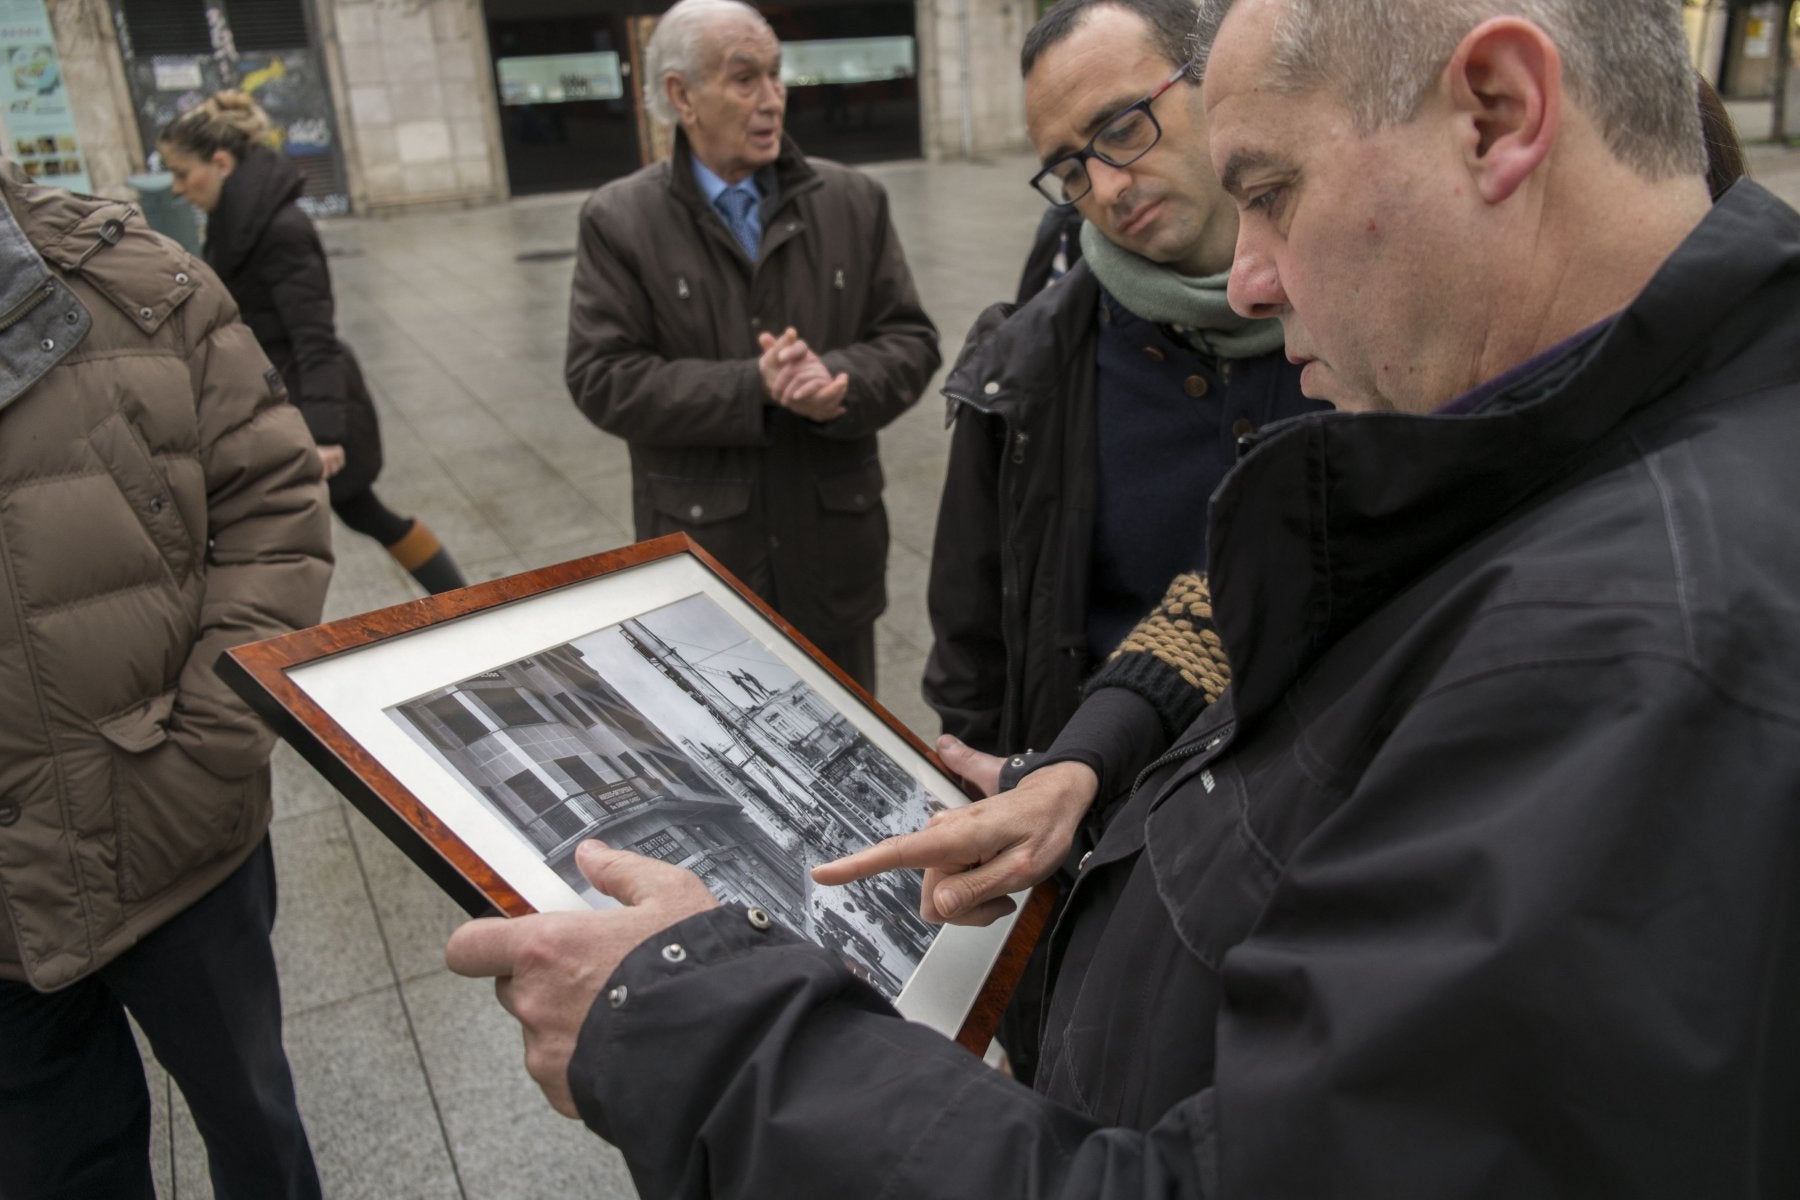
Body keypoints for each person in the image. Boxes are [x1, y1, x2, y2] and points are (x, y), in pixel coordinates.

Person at [447, 0, 1800, 1195]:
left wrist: (703, 1033)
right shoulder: (1550, 422)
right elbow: (1243, 600)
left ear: (1497, 114)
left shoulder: (1638, 655)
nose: (1257, 277)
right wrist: (1086, 767)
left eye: (1267, 187)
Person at [0, 162, 331, 1197]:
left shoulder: (137, 279)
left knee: (255, 1130)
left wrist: (203, 747)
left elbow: (275, 505)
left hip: (176, 833)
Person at [924, 0, 1322, 765]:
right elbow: (973, 656)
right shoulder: (1021, 373)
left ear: (1214, 82)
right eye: (1070, 169)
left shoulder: (1367, 301)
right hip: (1110, 826)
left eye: (1122, 127)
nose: (1105, 188)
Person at [563, 0, 940, 693]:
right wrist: (751, 386)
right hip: (706, 557)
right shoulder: (619, 219)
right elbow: (601, 378)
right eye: (745, 80)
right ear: (682, 96)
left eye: (776, 75)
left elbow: (911, 340)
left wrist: (840, 383)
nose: (772, 100)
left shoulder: (854, 200)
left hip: (833, 555)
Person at [160, 91, 466, 595]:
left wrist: (325, 433)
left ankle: (462, 599)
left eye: (181, 172)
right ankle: (460, 597)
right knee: (357, 513)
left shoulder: (279, 228)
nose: (176, 188)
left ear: (220, 162)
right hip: (277, 396)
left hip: (307, 398)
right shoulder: (233, 219)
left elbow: (315, 334)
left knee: (351, 513)